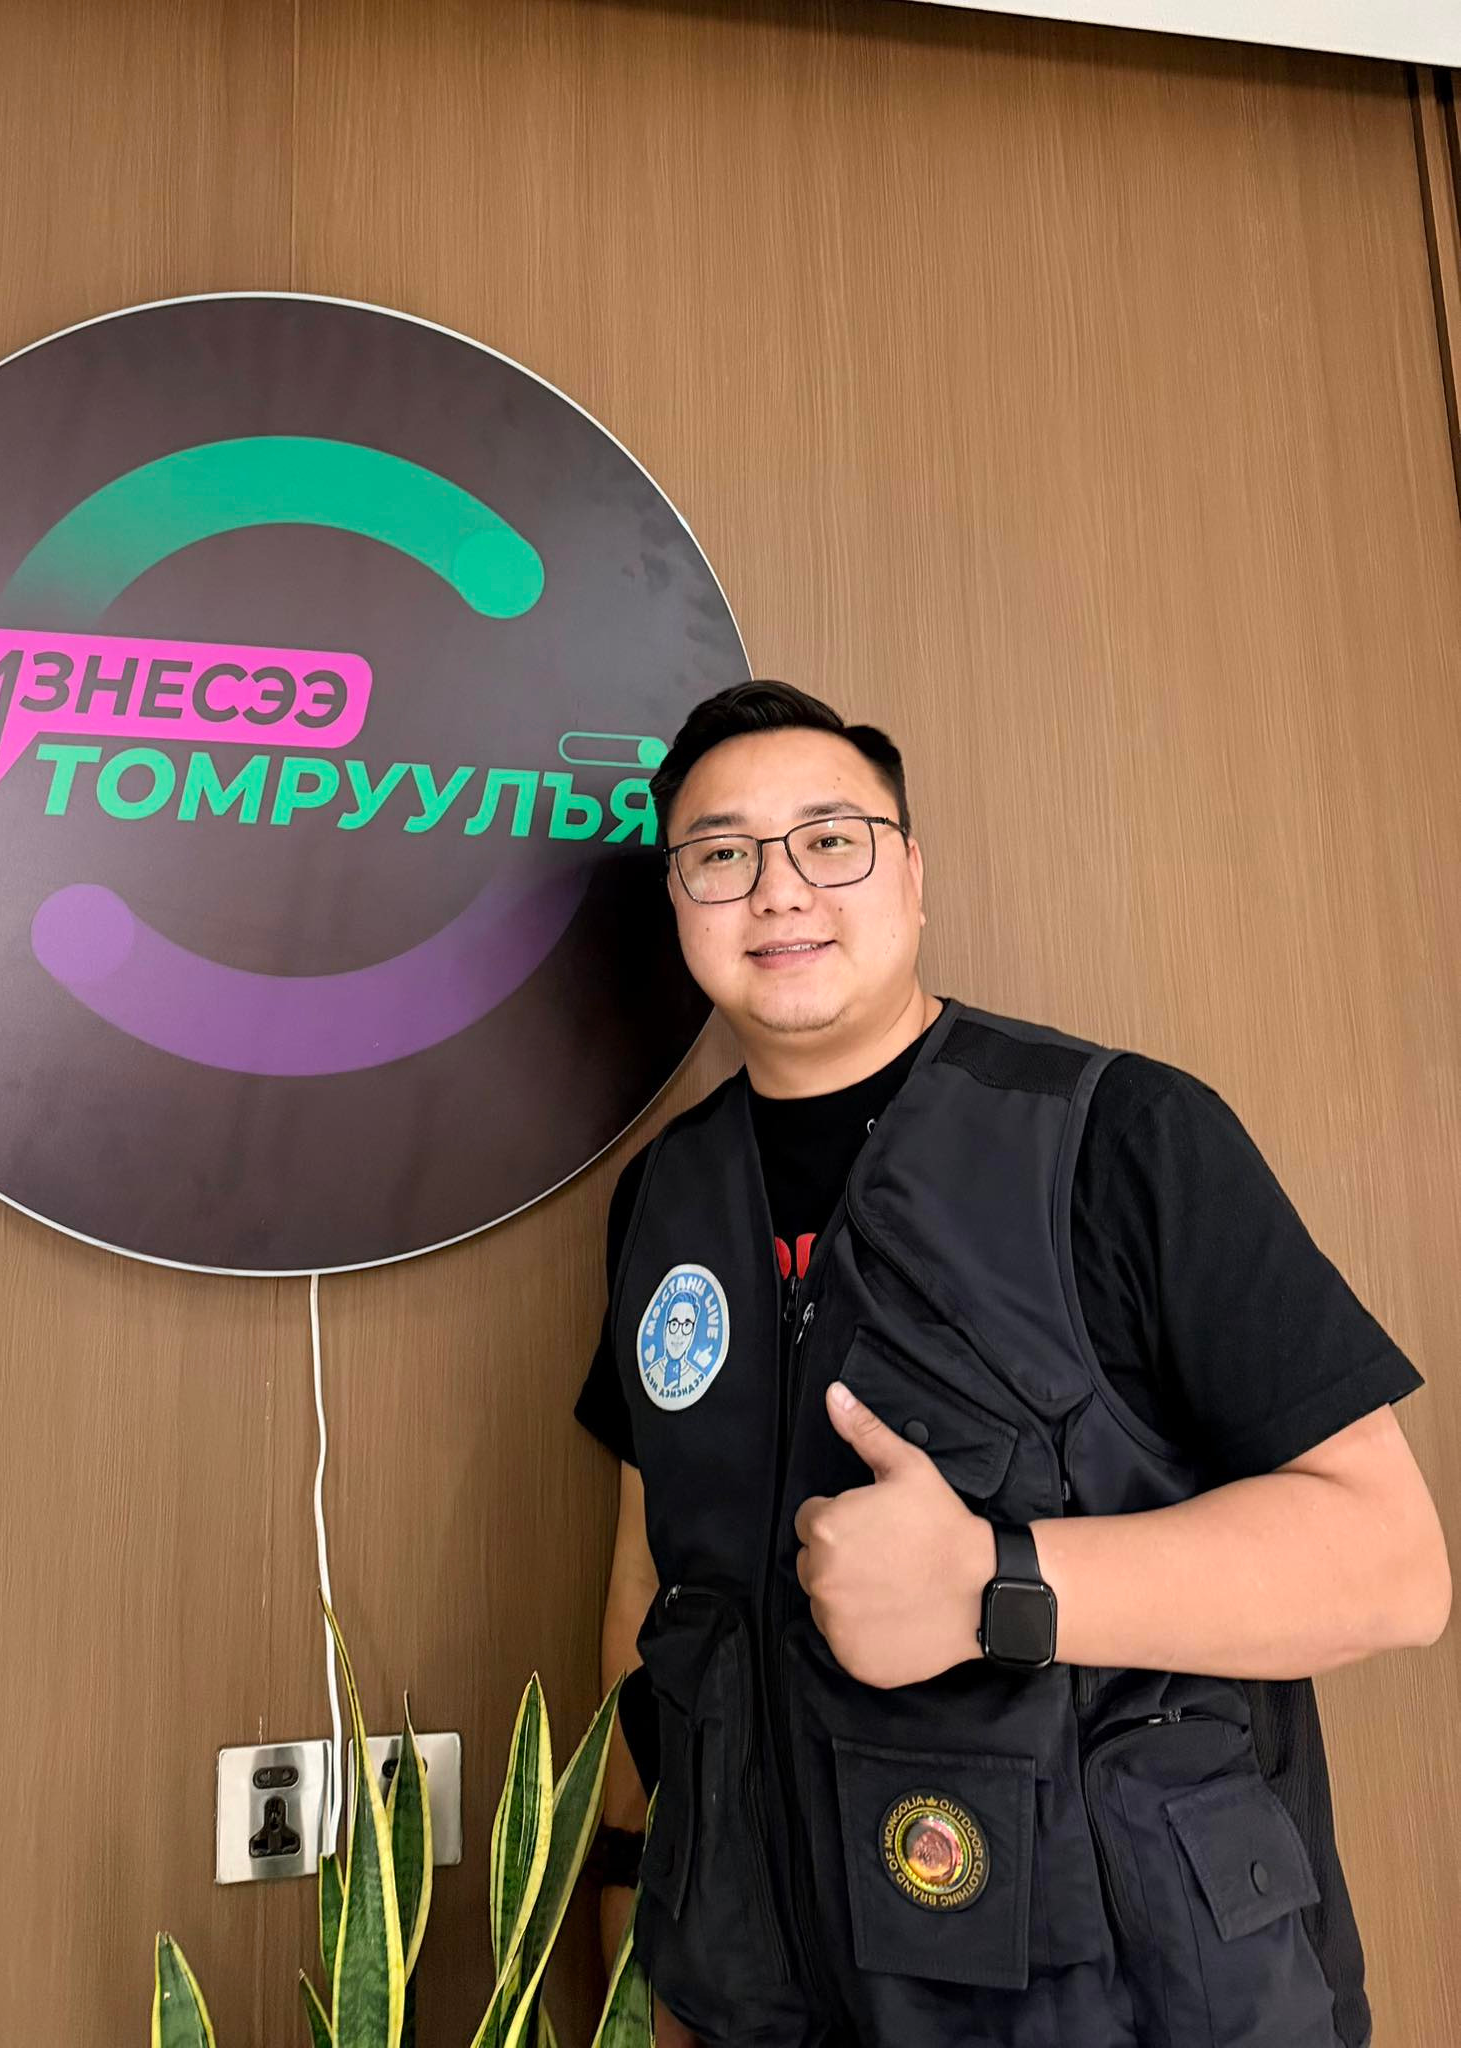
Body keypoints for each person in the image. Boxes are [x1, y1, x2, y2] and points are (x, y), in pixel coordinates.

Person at [575, 682, 1449, 2048]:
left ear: (912, 877)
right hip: (763, 2007)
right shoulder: (661, 1203)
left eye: (830, 839)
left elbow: (1390, 1567)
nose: (777, 889)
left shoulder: (1122, 1134)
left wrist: (995, 1587)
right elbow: (649, 1578)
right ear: (678, 901)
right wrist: (636, 1912)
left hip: (1134, 2009)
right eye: (721, 854)